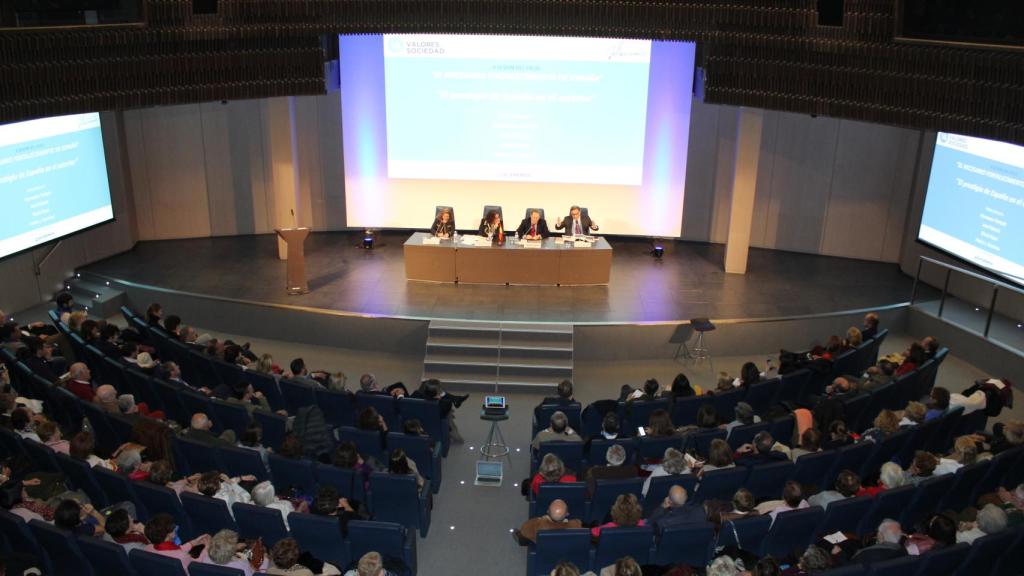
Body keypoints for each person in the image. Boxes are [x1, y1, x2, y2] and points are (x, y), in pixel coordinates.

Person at [144, 513, 211, 571]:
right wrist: (207, 548)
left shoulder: (148, 548)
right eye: (173, 527)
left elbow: (174, 550)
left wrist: (192, 543)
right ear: (169, 534)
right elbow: (196, 566)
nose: (175, 527)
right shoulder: (181, 557)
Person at [198, 529, 269, 576]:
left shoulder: (206, 559)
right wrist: (265, 560)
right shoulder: (242, 565)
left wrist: (236, 547)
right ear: (231, 552)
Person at [514, 499, 583, 545]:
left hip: (543, 549)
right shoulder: (576, 525)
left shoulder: (535, 525)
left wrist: (542, 519)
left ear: (547, 511)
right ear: (567, 514)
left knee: (523, 536)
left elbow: (524, 530)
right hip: (565, 549)